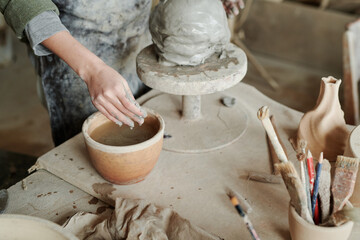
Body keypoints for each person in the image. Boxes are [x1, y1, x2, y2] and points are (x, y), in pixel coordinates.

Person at [0, 0, 243, 146]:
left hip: (139, 34)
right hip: (76, 51)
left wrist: (200, 9)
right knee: (96, 148)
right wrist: (92, 70)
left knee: (148, 126)